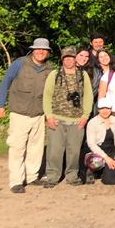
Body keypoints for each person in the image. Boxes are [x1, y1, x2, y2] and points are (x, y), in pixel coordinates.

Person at [0, 37, 54, 193]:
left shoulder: (49, 69)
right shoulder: (20, 63)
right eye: (38, 49)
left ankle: (32, 177)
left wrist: (49, 115)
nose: (41, 52)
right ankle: (16, 181)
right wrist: (0, 104)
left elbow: (50, 94)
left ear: (48, 52)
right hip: (19, 113)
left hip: (39, 114)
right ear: (33, 50)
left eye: (44, 50)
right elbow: (5, 82)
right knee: (17, 147)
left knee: (36, 148)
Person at [42, 46, 93, 187]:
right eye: (66, 58)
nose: (69, 60)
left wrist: (85, 116)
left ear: (75, 58)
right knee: (54, 151)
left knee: (74, 152)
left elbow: (88, 96)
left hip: (77, 121)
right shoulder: (54, 74)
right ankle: (52, 177)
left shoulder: (82, 75)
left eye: (71, 57)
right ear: (62, 59)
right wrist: (49, 116)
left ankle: (72, 176)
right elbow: (47, 96)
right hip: (57, 119)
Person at [84, 98, 115, 185]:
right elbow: (91, 144)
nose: (105, 111)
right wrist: (106, 158)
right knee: (96, 162)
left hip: (112, 150)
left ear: (111, 109)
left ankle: (105, 170)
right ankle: (91, 171)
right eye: (102, 108)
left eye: (107, 108)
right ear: (98, 109)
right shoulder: (92, 123)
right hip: (97, 152)